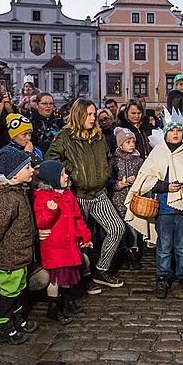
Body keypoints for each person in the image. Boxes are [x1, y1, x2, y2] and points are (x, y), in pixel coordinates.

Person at [124, 106, 183, 299]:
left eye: (178, 131)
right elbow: (145, 178)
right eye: (172, 131)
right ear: (166, 133)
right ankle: (162, 277)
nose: (176, 134)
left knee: (182, 245)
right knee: (164, 246)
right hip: (164, 208)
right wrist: (164, 186)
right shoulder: (158, 153)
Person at [46, 100, 124, 288]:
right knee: (80, 238)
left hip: (98, 193)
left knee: (116, 229)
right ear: (78, 114)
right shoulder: (64, 137)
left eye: (94, 114)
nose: (92, 118)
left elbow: (108, 157)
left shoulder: (99, 136)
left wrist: (106, 170)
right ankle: (84, 277)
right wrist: (71, 171)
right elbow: (50, 161)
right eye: (88, 114)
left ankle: (102, 270)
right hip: (77, 195)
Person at [0, 146, 40, 343]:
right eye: (27, 167)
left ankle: (16, 318)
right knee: (9, 291)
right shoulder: (8, 198)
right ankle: (3, 324)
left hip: (18, 254)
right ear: (14, 174)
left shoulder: (19, 192)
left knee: (18, 288)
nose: (32, 170)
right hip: (8, 256)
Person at [34, 160, 93, 323]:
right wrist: (51, 211)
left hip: (69, 243)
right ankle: (54, 307)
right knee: (56, 279)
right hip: (54, 246)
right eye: (62, 174)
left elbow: (77, 218)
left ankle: (67, 303)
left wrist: (85, 236)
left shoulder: (68, 195)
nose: (66, 176)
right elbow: (42, 222)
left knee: (67, 276)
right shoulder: (42, 197)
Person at [108, 128, 144, 269]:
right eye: (128, 142)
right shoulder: (114, 161)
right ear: (120, 145)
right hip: (118, 200)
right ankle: (121, 254)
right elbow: (109, 180)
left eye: (133, 141)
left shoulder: (139, 161)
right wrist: (119, 184)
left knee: (133, 230)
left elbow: (144, 178)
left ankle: (133, 255)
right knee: (121, 229)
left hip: (133, 201)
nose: (131, 144)